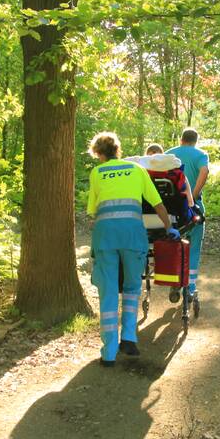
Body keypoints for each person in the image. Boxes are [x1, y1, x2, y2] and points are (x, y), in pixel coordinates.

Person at [87, 131, 178, 367]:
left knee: (108, 291)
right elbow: (158, 204)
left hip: (106, 237)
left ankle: (108, 353)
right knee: (132, 286)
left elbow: (93, 210)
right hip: (132, 236)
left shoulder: (97, 172)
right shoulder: (137, 170)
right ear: (118, 150)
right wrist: (169, 228)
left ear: (98, 153)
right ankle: (129, 339)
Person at [167, 128, 209, 306]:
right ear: (195, 141)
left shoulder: (169, 154)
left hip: (171, 209)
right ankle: (190, 286)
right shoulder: (200, 155)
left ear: (181, 139)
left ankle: (175, 281)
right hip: (193, 208)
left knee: (173, 244)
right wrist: (195, 194)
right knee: (194, 247)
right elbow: (204, 171)